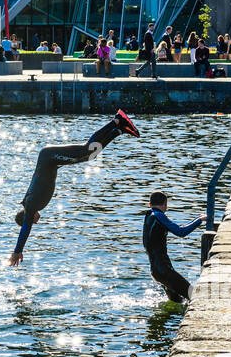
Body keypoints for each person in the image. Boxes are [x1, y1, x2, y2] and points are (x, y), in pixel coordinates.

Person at [8, 110, 140, 266]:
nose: (36, 222)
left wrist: (17, 250)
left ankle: (117, 120)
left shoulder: (30, 205)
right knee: (90, 155)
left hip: (48, 157)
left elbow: (25, 230)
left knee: (86, 149)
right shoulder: (34, 203)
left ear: (26, 218)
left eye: (32, 222)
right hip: (51, 161)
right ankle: (119, 130)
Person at [142, 191, 201, 303]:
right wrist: (199, 220)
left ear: (150, 204)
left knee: (179, 301)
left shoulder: (148, 215)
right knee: (194, 296)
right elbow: (181, 231)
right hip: (164, 271)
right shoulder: (159, 216)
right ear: (165, 204)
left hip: (155, 271)